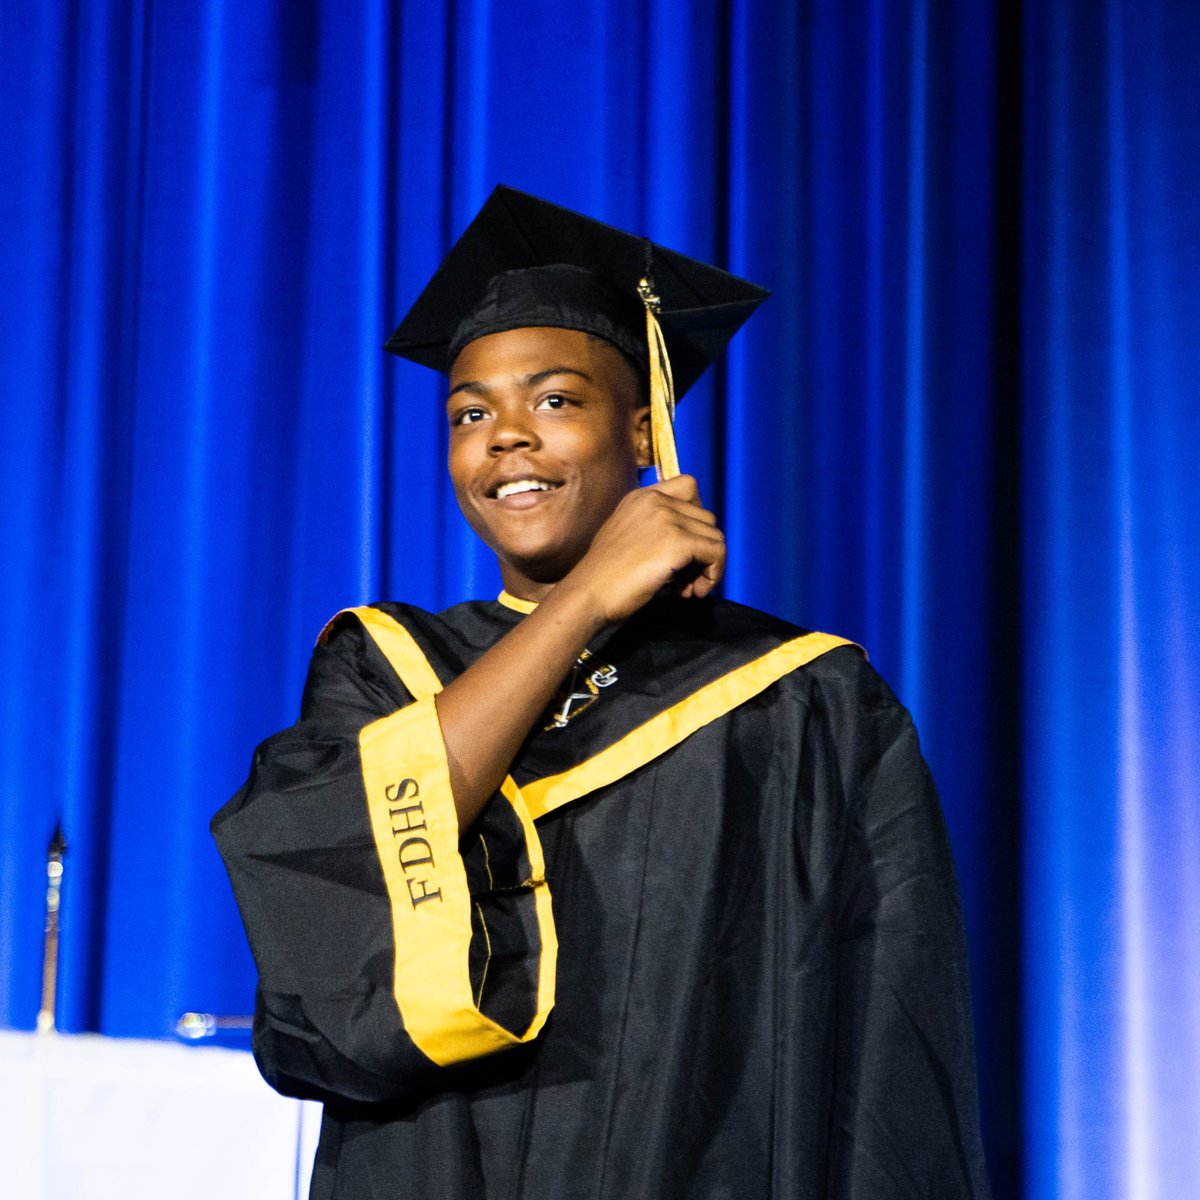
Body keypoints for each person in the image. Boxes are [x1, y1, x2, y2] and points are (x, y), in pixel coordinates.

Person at [213, 187, 992, 1198]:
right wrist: (581, 601)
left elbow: (891, 1039)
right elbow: (333, 881)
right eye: (469, 413)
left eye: (554, 400)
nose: (505, 437)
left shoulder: (807, 700)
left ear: (644, 429)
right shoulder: (384, 668)